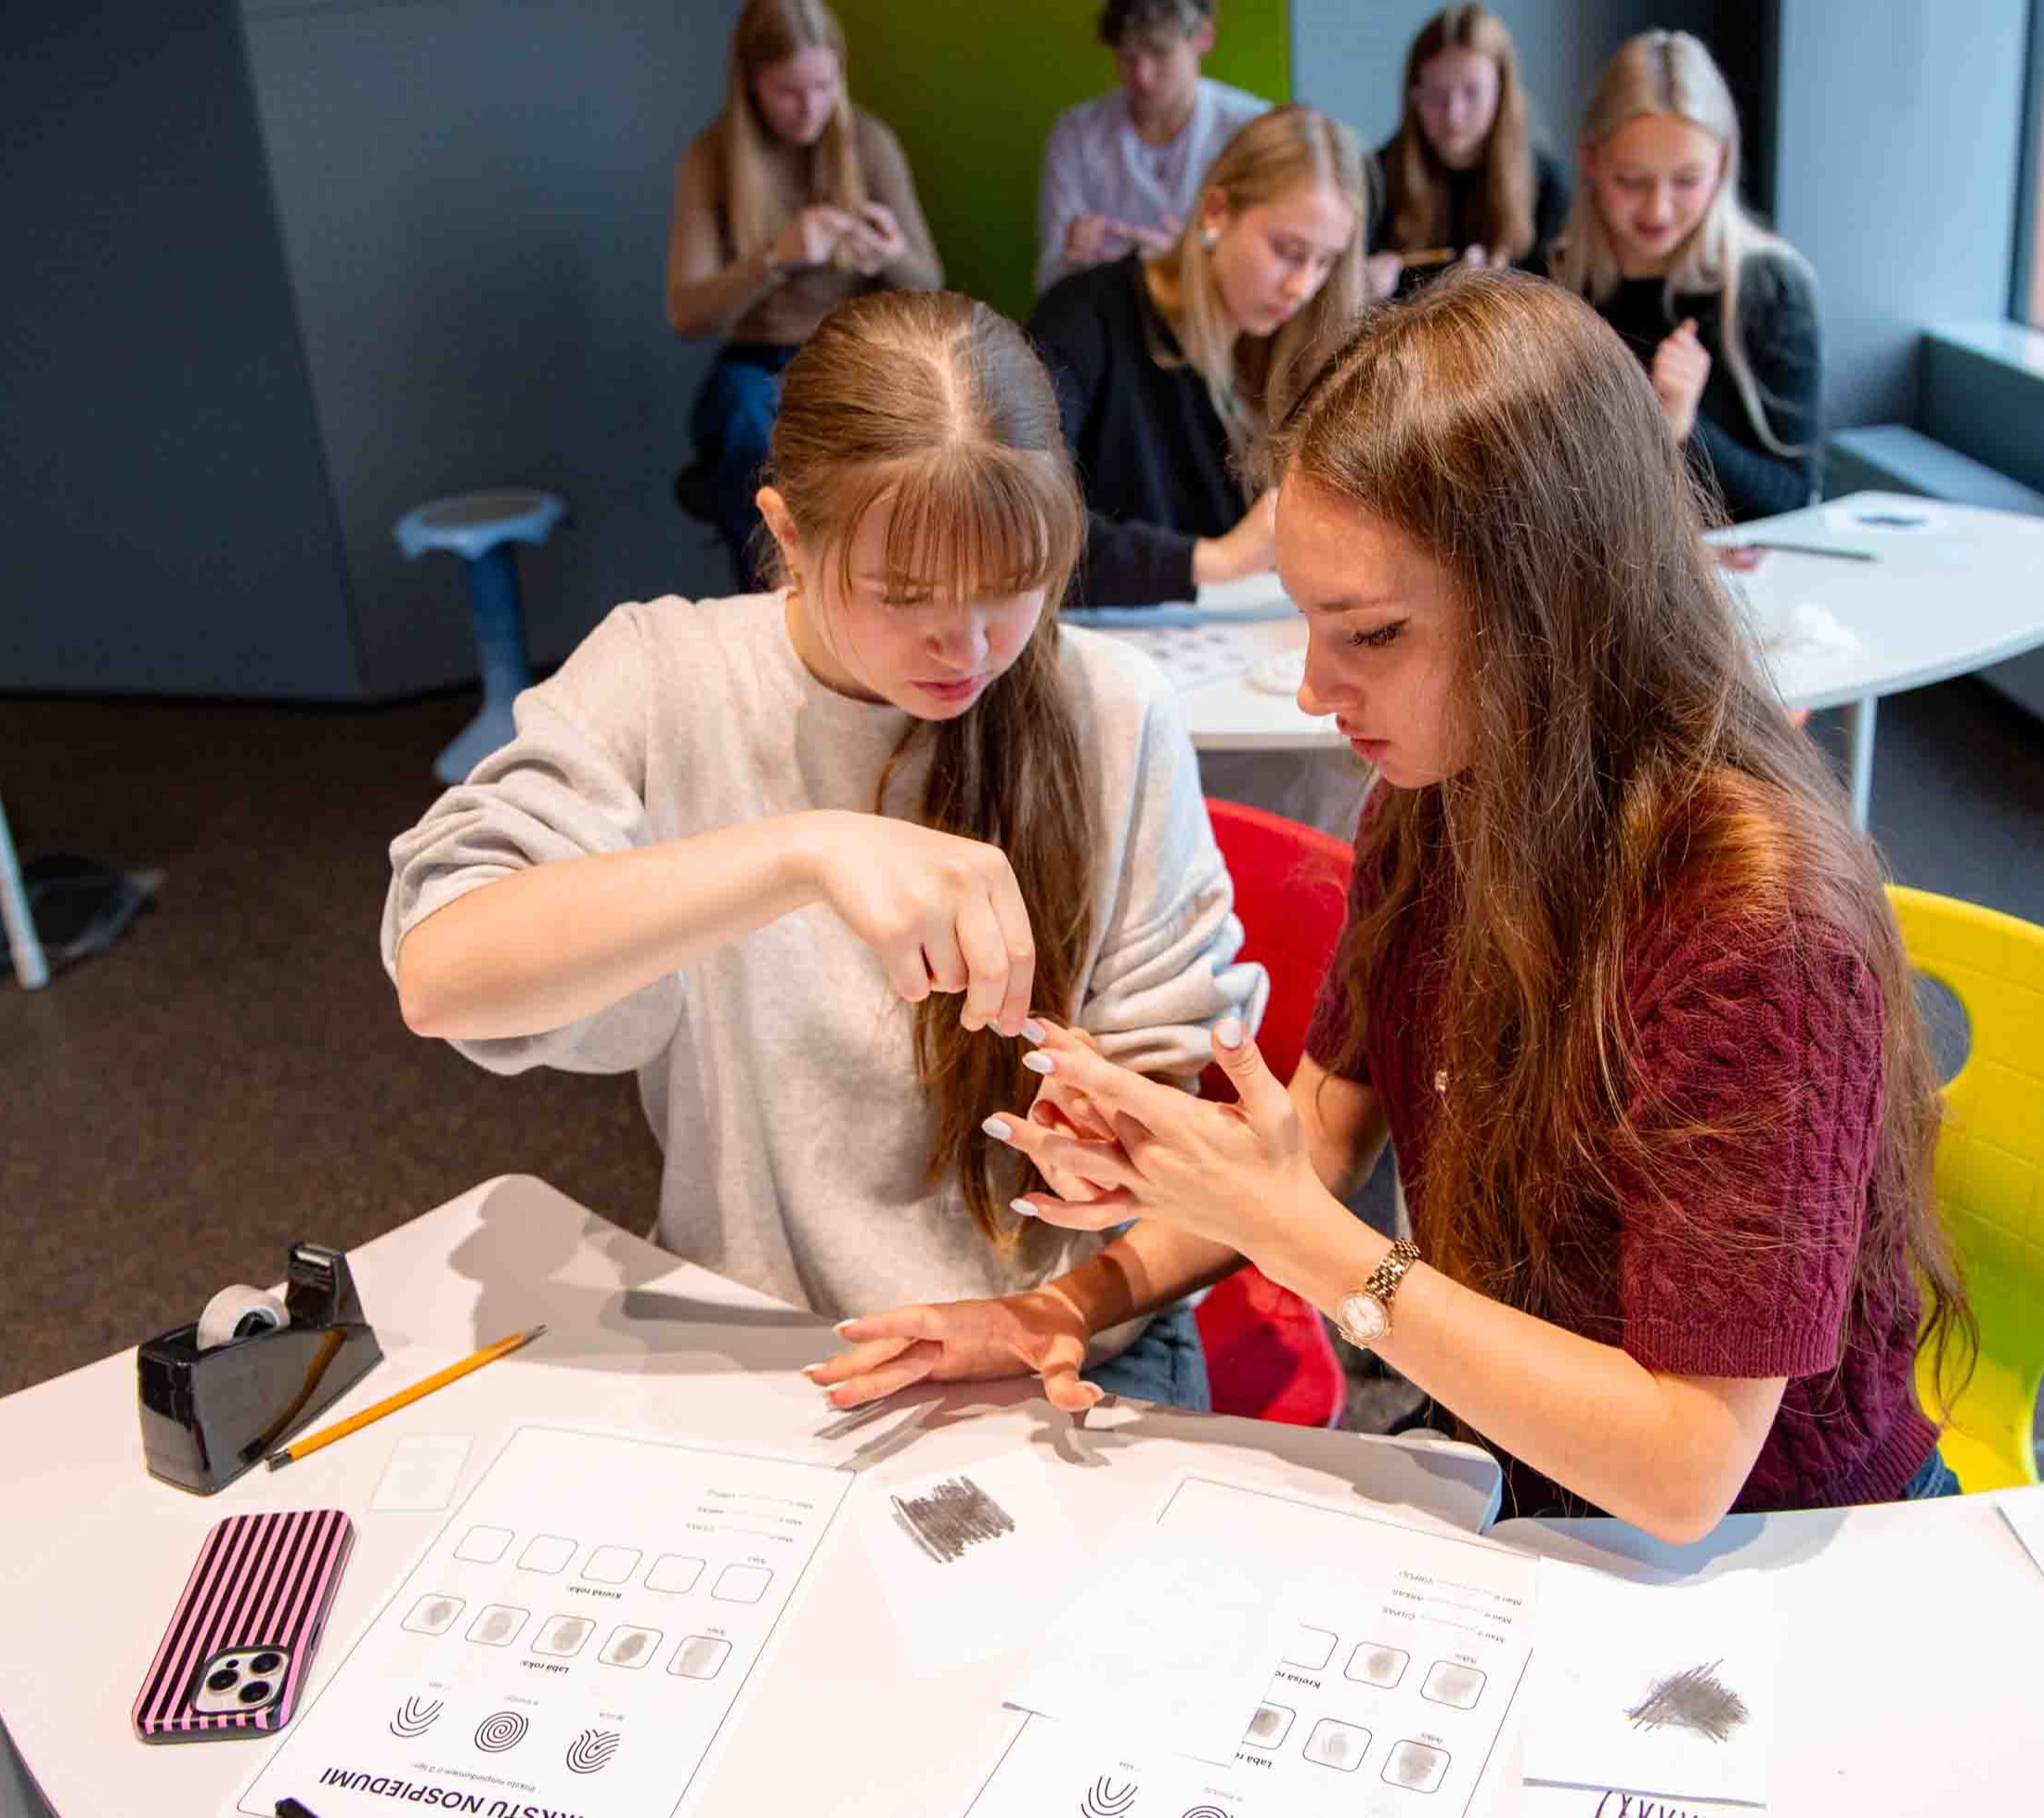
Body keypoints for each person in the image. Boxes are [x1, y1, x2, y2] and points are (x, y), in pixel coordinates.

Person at [809, 271, 1973, 1541]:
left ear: (1551, 606)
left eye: (1366, 635)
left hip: (1770, 1546)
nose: (1313, 689)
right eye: (1310, 623)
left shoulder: (1752, 921)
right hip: (1520, 1476)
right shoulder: (1446, 790)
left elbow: (1687, 1462)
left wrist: (1308, 1242)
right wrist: (1078, 1290)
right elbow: (1321, 1126)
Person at [386, 290, 1259, 1412]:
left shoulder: (1111, 710)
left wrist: (1115, 1142)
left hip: (1059, 1337)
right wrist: (799, 853)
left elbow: (1182, 1090)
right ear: (788, 534)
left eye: (1013, 585)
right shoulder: (665, 677)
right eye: (904, 596)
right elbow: (444, 972)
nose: (972, 644)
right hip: (766, 1344)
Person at [1028, 103, 1364, 611]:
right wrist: (1214, 560)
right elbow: (1023, 523)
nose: (1302, 287)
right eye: (1287, 251)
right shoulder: (1083, 317)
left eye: (1324, 262)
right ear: (1214, 213)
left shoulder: (1298, 343)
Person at [666, 0, 942, 587]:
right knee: (749, 425)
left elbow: (930, 286)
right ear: (750, 84)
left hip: (853, 356)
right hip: (758, 363)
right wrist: (774, 259)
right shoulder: (711, 158)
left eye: (824, 85)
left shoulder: (868, 142)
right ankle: (773, 603)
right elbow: (686, 313)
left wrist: (888, 256)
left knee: (923, 430)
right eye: (789, 91)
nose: (810, 108)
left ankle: (883, 602)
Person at [1532, 29, 1820, 525]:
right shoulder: (1549, 284)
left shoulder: (1769, 288)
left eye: (1686, 181)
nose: (1658, 209)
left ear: (1724, 162)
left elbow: (1793, 498)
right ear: (1591, 162)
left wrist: (1684, 428)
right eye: (1632, 181)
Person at [1033, 0, 1270, 299]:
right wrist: (1071, 259)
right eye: (1127, 57)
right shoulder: (1076, 134)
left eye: (1160, 53)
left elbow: (1269, 276)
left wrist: (1185, 260)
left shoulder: (1252, 131)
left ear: (1203, 38)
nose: (1142, 76)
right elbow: (1049, 285)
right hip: (1106, 321)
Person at [1362, 6, 1568, 302]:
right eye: (1436, 94)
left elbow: (1560, 311)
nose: (1453, 115)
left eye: (1472, 92)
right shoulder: (1374, 180)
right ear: (1414, 95)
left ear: (1501, 93)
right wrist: (1358, 290)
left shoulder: (1545, 185)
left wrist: (1503, 286)